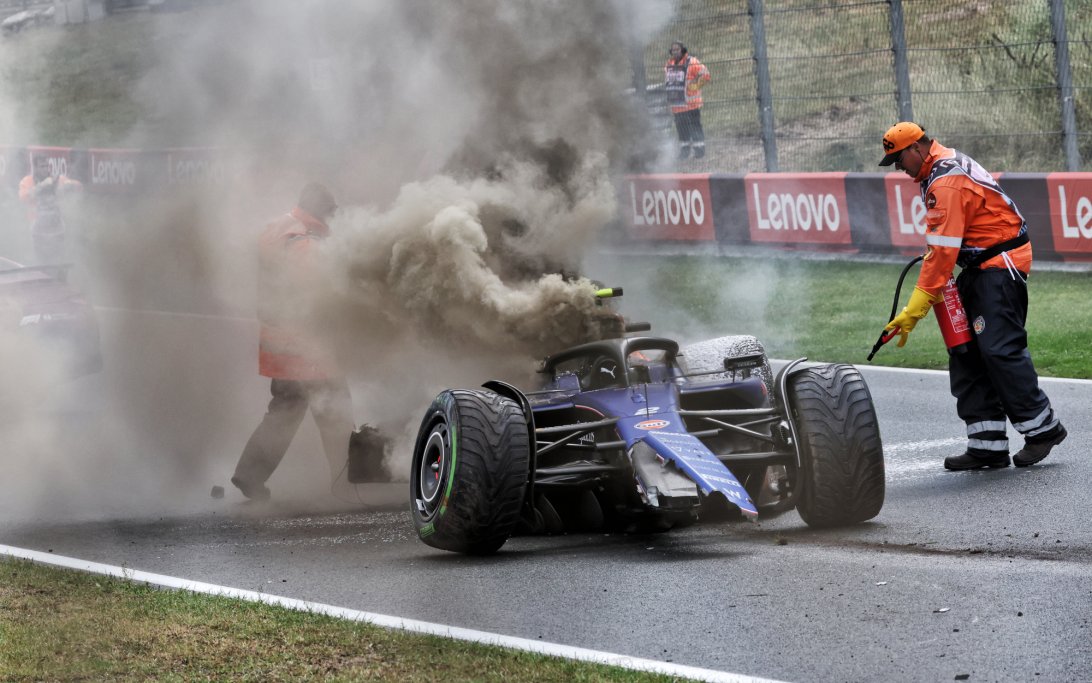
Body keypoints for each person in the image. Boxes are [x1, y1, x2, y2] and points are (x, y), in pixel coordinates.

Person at [878, 122, 1066, 471]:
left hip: (999, 263)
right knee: (965, 351)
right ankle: (987, 444)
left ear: (917, 148)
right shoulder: (937, 170)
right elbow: (944, 246)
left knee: (998, 347)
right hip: (980, 265)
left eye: (899, 159)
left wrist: (914, 310)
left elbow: (942, 254)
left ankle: (1044, 429)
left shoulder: (944, 181)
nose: (899, 169)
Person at [231, 182, 358, 501]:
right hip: (308, 345)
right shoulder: (304, 241)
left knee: (284, 410)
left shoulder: (278, 228)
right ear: (319, 211)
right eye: (330, 213)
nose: (332, 221)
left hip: (279, 342)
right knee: (336, 413)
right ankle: (347, 485)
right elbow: (318, 288)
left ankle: (249, 475)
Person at [18, 154, 82, 264]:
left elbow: (79, 187)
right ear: (35, 168)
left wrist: (70, 185)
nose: (45, 169)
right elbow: (24, 197)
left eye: (47, 166)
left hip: (56, 228)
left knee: (59, 259)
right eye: (42, 166)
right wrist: (41, 186)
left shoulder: (56, 179)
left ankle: (60, 278)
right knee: (40, 261)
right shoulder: (28, 181)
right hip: (37, 230)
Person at [664, 40, 711, 160]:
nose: (675, 52)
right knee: (681, 129)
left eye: (677, 49)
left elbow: (706, 75)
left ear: (682, 50)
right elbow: (668, 84)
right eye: (673, 50)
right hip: (677, 105)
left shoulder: (692, 62)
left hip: (692, 103)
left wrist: (695, 86)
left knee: (695, 126)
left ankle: (699, 150)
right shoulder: (669, 64)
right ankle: (684, 151)